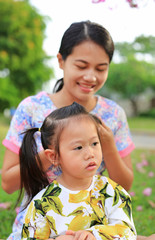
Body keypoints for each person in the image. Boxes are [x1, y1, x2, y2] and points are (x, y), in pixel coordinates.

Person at [2, 20, 136, 239]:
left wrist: (107, 145)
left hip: (93, 228)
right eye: (81, 66)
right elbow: (7, 184)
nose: (91, 76)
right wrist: (55, 153)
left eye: (101, 68)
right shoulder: (32, 108)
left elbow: (123, 187)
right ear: (61, 61)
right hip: (39, 227)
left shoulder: (112, 114)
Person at [19, 102, 137, 240]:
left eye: (94, 143)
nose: (90, 153)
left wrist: (94, 234)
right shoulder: (42, 204)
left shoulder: (111, 192)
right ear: (54, 156)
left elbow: (128, 232)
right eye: (79, 147)